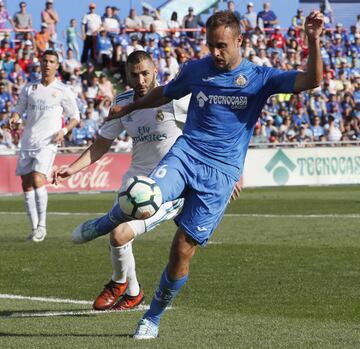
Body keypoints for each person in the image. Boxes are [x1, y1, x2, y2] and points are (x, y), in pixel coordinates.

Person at [105, 10, 324, 339]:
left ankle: (152, 316)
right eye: (211, 46)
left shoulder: (260, 77)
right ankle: (116, 235)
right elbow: (164, 92)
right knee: (148, 193)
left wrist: (313, 39)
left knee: (182, 249)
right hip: (186, 155)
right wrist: (127, 108)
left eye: (221, 46)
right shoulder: (196, 70)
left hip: (219, 176)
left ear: (240, 41)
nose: (216, 53)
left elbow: (311, 80)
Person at [52, 50, 190, 310]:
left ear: (155, 72)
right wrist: (72, 169)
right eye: (134, 74)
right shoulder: (123, 102)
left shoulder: (174, 97)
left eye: (145, 73)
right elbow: (102, 144)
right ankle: (133, 292)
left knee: (118, 234)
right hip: (133, 183)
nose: (140, 80)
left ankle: (118, 282)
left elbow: (207, 128)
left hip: (169, 186)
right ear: (126, 75)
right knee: (120, 238)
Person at [9, 50, 80, 242]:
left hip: (48, 142)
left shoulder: (63, 90)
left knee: (38, 179)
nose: (47, 64)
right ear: (40, 64)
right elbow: (18, 110)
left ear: (57, 66)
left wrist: (64, 131)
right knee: (26, 184)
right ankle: (34, 228)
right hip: (28, 140)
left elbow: (75, 117)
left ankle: (42, 226)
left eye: (51, 62)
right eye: (45, 61)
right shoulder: (29, 88)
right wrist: (14, 119)